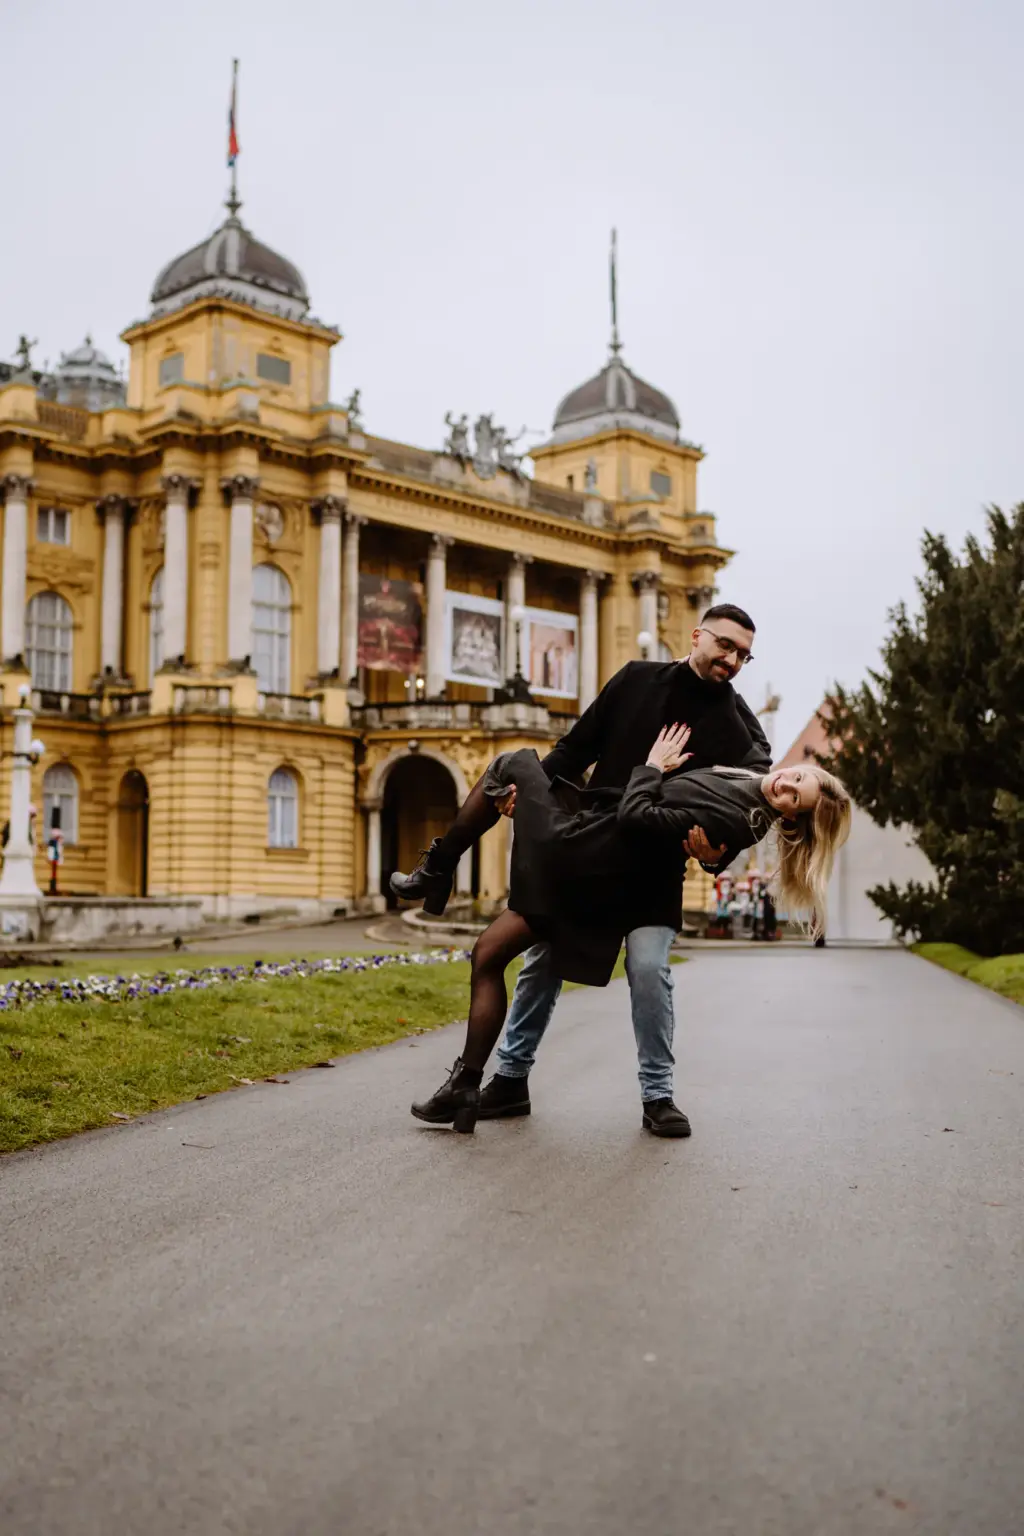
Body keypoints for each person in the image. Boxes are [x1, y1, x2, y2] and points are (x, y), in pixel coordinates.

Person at [394, 603, 773, 1137]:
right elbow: (576, 749)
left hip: (654, 868)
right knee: (543, 959)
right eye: (726, 646)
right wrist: (533, 792)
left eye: (743, 655)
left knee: (647, 969)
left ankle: (658, 1096)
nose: (732, 661)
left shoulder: (739, 730)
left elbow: (741, 807)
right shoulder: (637, 679)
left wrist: (719, 855)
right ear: (697, 636)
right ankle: (508, 1082)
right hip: (591, 846)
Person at [401, 721, 851, 1134]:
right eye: (798, 777)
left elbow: (644, 815)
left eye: (795, 797)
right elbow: (745, 723)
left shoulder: (739, 818)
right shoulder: (751, 774)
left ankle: (439, 867)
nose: (786, 785)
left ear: (791, 819)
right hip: (589, 844)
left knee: (513, 762)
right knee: (494, 954)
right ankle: (475, 1082)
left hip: (586, 849)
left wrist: (654, 768)